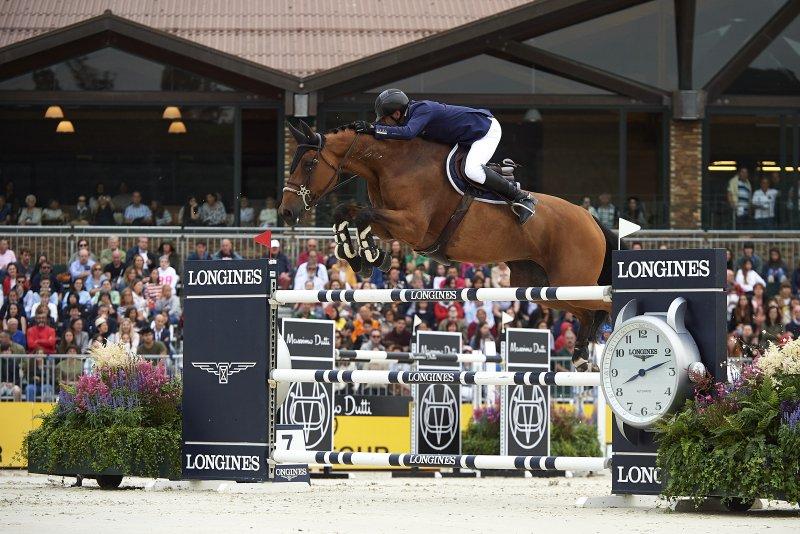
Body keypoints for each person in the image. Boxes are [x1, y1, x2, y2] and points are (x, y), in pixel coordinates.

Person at [354, 89, 534, 224]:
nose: (383, 123)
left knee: (471, 170)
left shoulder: (422, 109)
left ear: (396, 114)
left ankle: (522, 198)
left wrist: (374, 129)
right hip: (464, 137)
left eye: (384, 120)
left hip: (484, 132)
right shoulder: (410, 116)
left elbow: (407, 133)